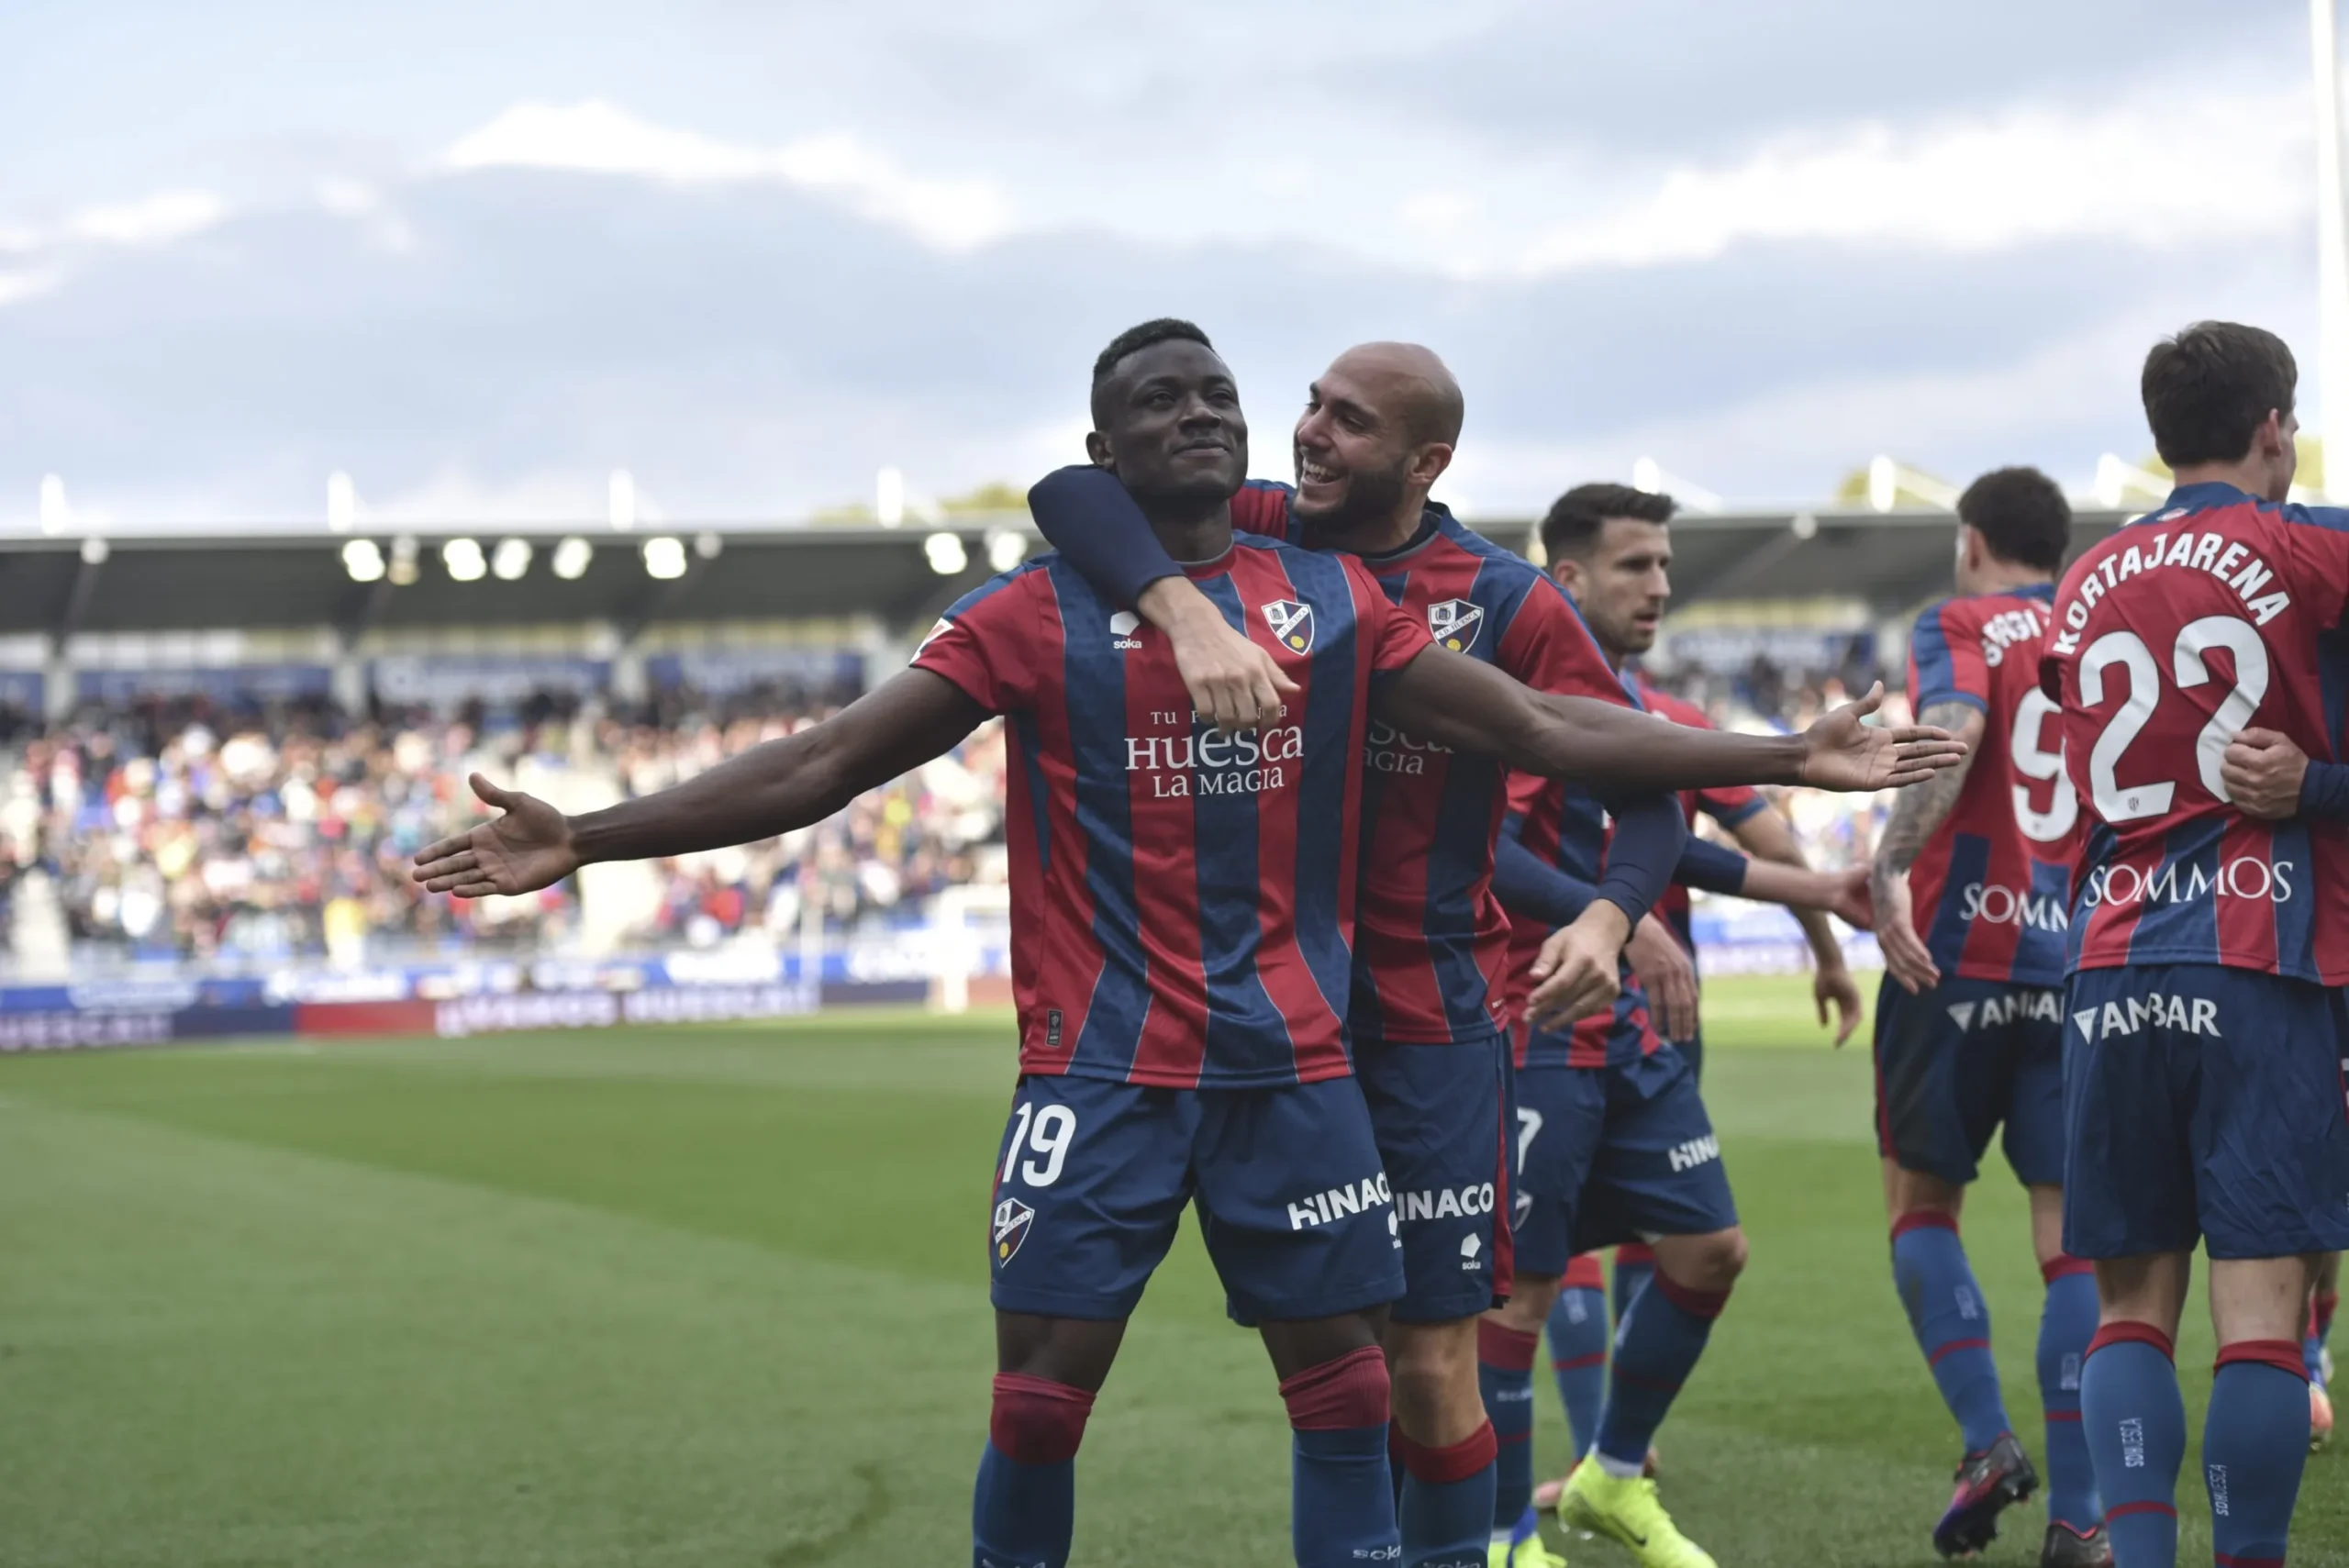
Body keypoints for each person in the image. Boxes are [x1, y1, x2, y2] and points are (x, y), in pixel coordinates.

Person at [414, 320, 1960, 1568]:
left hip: (1300, 1063)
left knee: (1351, 1395)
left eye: (1221, 392)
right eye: (1166, 401)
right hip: (1100, 1069)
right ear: (1109, 451)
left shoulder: (1330, 599)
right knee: (1039, 1401)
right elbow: (825, 761)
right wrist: (590, 836)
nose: (1212, 416)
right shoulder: (1032, 613)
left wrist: (1775, 755)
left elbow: (1550, 723)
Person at [1028, 342, 1870, 1568]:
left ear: (1427, 462)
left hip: (1428, 1011)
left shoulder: (1507, 598)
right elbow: (1068, 492)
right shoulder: (1264, 527)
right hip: (1274, 1011)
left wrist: (1606, 911)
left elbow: (1633, 782)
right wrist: (1179, 605)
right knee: (1332, 1364)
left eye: (1348, 422)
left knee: (1429, 1354)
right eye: (1311, 405)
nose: (1308, 434)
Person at [1474, 484, 1880, 1568]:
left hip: (1628, 1033)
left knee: (1708, 1249)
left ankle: (1609, 1475)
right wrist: (1607, 919)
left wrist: (1820, 892)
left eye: (1662, 564)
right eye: (1632, 566)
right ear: (1565, 579)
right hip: (1538, 1016)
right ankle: (1506, 1536)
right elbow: (1491, 854)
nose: (1658, 584)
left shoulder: (1634, 707)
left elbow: (1682, 846)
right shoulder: (1520, 698)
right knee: (1521, 1287)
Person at [2042, 321, 2349, 1568]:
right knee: (2264, 1314)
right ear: (2275, 429)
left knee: (2127, 1306)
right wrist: (2319, 787)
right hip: (2256, 958)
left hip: (2111, 959)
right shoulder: (2307, 543)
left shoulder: (2085, 577)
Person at [1864, 466, 2105, 1566]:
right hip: (2071, 965)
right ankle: (2080, 1518)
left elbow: (1953, 728)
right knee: (2071, 1245)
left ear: (1970, 541)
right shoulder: (2094, 619)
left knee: (1922, 1203)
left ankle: (1984, 1443)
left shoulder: (1960, 618)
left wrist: (1887, 862)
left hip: (1952, 957)